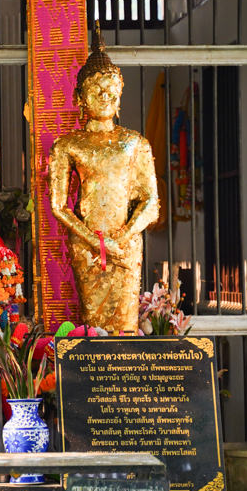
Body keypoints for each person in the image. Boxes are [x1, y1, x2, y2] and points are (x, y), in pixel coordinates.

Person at [48, 26, 159, 334]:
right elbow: (59, 206)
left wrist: (119, 239)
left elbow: (151, 203)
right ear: (79, 97)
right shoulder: (68, 144)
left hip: (125, 244)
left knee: (125, 326)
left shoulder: (135, 143)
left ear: (120, 96)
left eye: (111, 92)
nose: (105, 98)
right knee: (94, 327)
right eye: (97, 92)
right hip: (88, 244)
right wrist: (97, 241)